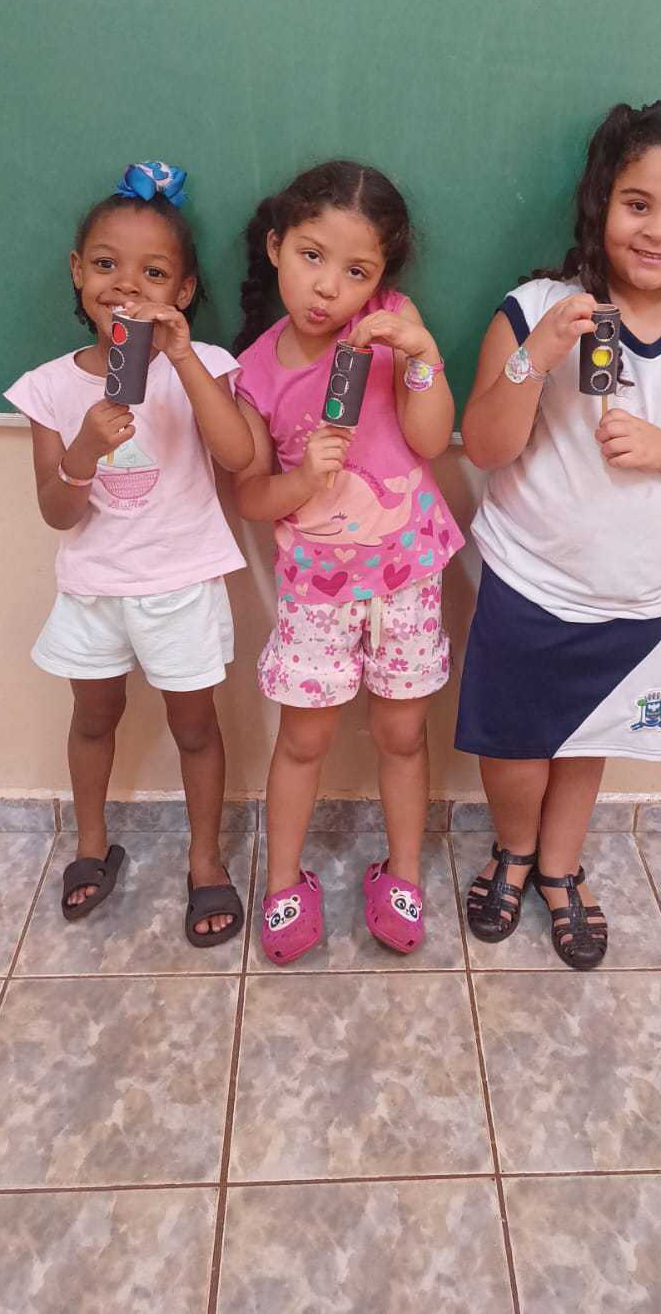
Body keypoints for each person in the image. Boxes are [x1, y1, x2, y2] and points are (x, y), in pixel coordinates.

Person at [456, 102, 661, 969]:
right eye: (636, 203)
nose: (656, 230)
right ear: (602, 198)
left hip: (642, 596)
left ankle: (558, 866)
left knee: (588, 742)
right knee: (513, 744)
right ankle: (512, 849)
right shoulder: (536, 308)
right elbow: (485, 445)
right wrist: (534, 357)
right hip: (530, 577)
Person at [6, 163, 254, 945]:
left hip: (181, 584)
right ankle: (91, 843)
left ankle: (205, 860)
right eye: (106, 263)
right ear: (77, 271)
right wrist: (82, 449)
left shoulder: (203, 365)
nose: (126, 284)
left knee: (195, 727)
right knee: (93, 717)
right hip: (93, 587)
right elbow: (56, 511)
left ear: (183, 291)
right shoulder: (49, 387)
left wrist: (180, 357)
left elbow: (239, 454)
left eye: (153, 272)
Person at [233, 160, 463, 964]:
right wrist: (303, 479)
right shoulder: (254, 371)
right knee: (304, 739)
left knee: (401, 731)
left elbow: (429, 439)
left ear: (381, 278)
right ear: (275, 246)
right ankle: (283, 881)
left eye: (357, 271)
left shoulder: (391, 323)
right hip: (316, 589)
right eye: (311, 256)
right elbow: (251, 495)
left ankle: (401, 874)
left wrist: (421, 352)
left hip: (406, 573)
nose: (329, 287)